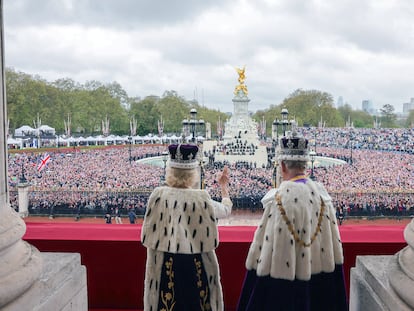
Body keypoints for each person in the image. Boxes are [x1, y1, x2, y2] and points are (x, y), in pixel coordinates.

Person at [237, 130, 347, 311]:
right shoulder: (323, 198)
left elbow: (266, 253)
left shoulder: (278, 200)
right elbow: (334, 250)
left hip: (283, 287)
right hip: (319, 284)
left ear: (282, 166)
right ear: (305, 165)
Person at [141, 143, 232, 311]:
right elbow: (225, 210)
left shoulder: (158, 196)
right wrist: (224, 188)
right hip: (196, 263)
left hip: (165, 263)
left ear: (170, 171)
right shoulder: (201, 199)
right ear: (193, 174)